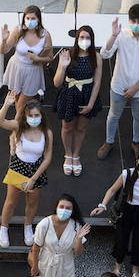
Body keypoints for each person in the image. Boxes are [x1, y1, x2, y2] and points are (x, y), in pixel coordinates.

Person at [99, 5, 139, 160]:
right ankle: (109, 142)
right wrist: (113, 36)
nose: (136, 23)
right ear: (129, 20)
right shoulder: (121, 36)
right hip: (118, 85)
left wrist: (135, 88)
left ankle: (136, 142)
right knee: (113, 115)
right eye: (133, 20)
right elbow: (105, 54)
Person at [91, 149, 139, 277]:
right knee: (121, 238)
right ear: (137, 162)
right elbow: (112, 190)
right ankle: (117, 266)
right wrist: (102, 206)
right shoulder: (126, 174)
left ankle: (136, 269)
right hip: (127, 209)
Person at [0, 100, 53, 247]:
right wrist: (7, 104)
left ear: (41, 116)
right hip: (18, 167)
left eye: (36, 115)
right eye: (31, 115)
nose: (34, 118)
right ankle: (3, 228)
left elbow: (47, 158)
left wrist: (34, 178)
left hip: (36, 169)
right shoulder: (19, 126)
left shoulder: (47, 133)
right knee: (11, 201)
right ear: (25, 116)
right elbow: (0, 121)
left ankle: (28, 227)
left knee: (32, 202)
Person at [53, 24, 101, 176]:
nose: (84, 40)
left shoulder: (96, 57)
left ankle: (76, 155)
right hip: (69, 94)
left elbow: (98, 82)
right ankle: (68, 155)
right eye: (82, 37)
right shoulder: (68, 54)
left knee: (81, 128)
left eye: (87, 38)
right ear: (77, 38)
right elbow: (57, 83)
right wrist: (62, 66)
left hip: (86, 95)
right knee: (67, 127)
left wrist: (91, 104)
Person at [0, 5, 53, 126]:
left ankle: (16, 130)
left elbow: (50, 57)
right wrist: (4, 40)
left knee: (22, 103)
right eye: (28, 18)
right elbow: (3, 50)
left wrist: (37, 58)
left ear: (38, 19)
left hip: (33, 71)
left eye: (33, 18)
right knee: (17, 100)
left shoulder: (45, 35)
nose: (30, 21)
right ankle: (22, 124)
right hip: (16, 68)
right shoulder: (18, 30)